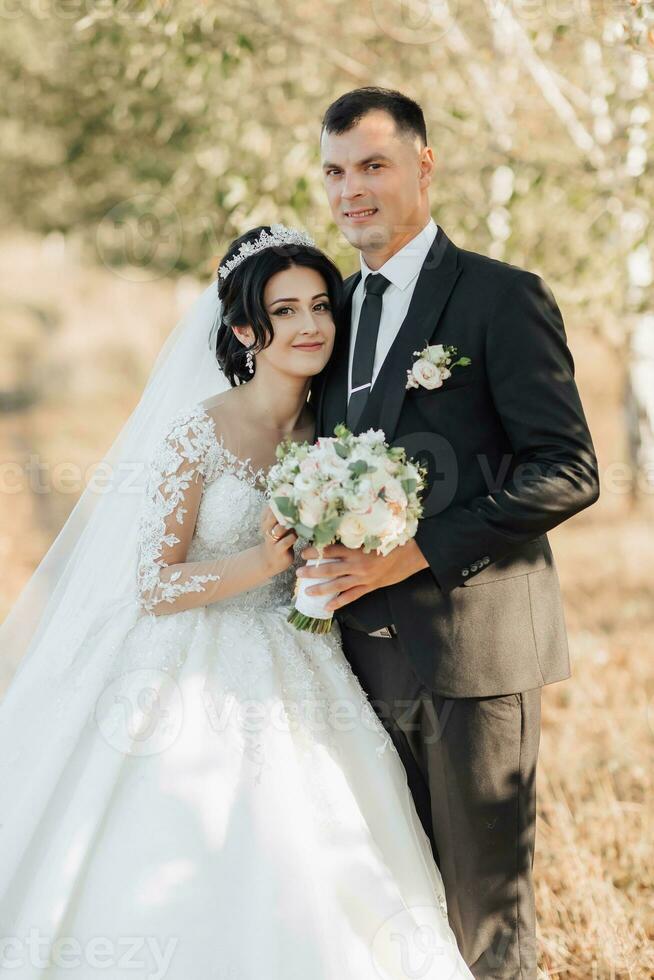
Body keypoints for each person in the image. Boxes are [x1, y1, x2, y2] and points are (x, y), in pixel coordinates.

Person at [0, 224, 473, 979]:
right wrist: (260, 561)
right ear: (247, 329)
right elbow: (153, 584)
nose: (311, 325)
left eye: (321, 306)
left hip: (302, 658)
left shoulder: (342, 439)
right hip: (184, 659)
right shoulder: (199, 432)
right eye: (285, 312)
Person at [305, 87, 601, 978]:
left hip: (476, 652)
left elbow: (568, 467)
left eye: (372, 165)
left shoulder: (502, 299)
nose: (351, 190)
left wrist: (417, 550)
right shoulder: (329, 315)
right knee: (393, 902)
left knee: (484, 919)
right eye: (333, 171)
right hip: (355, 656)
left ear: (423, 166)